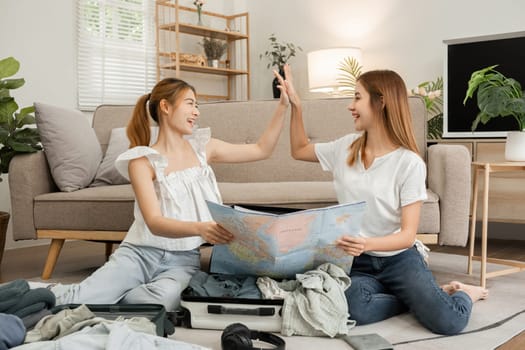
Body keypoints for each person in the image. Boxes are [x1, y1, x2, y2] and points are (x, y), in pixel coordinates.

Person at [45, 74, 290, 311]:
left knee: (159, 305)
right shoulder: (142, 161)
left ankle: (111, 299)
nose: (197, 111)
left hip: (183, 261)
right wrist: (200, 228)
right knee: (76, 300)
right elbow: (154, 222)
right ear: (165, 106)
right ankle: (34, 294)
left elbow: (261, 149)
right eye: (190, 103)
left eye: (197, 105)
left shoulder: (205, 148)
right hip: (139, 254)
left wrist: (282, 106)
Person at [278, 64, 488, 335]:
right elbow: (298, 149)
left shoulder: (408, 163)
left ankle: (465, 294)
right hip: (358, 262)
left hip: (399, 258)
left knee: (449, 322)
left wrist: (366, 243)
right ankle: (413, 298)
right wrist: (297, 105)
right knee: (353, 308)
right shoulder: (345, 148)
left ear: (381, 102)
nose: (350, 106)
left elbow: (407, 235)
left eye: (357, 97)